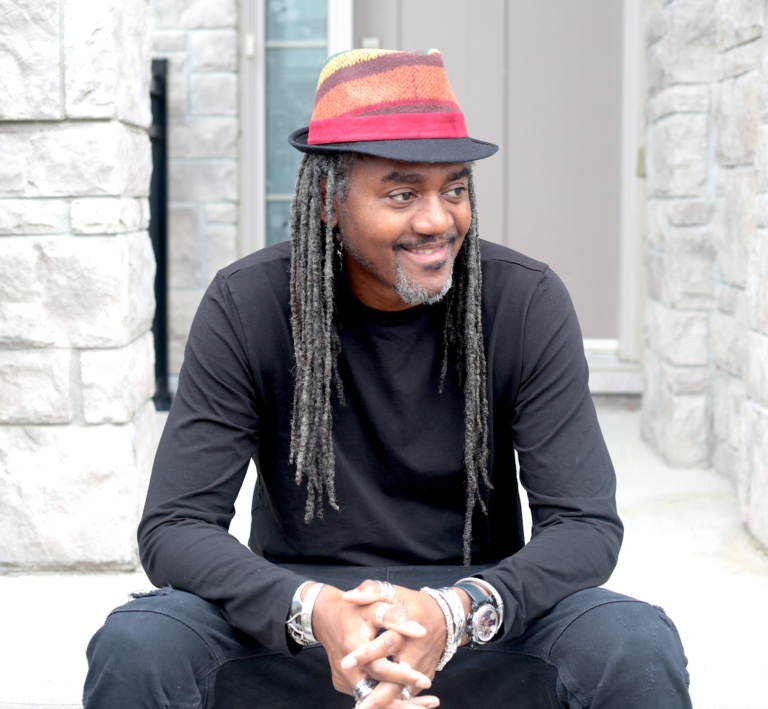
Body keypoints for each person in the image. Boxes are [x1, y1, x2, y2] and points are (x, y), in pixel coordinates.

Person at [84, 48, 692, 709]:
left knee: (633, 642)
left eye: (454, 189)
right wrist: (312, 610)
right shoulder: (249, 303)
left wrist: (456, 612)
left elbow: (583, 523)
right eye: (403, 193)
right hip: (298, 628)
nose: (437, 220)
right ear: (328, 200)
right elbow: (174, 524)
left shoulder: (523, 301)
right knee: (139, 645)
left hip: (475, 625)